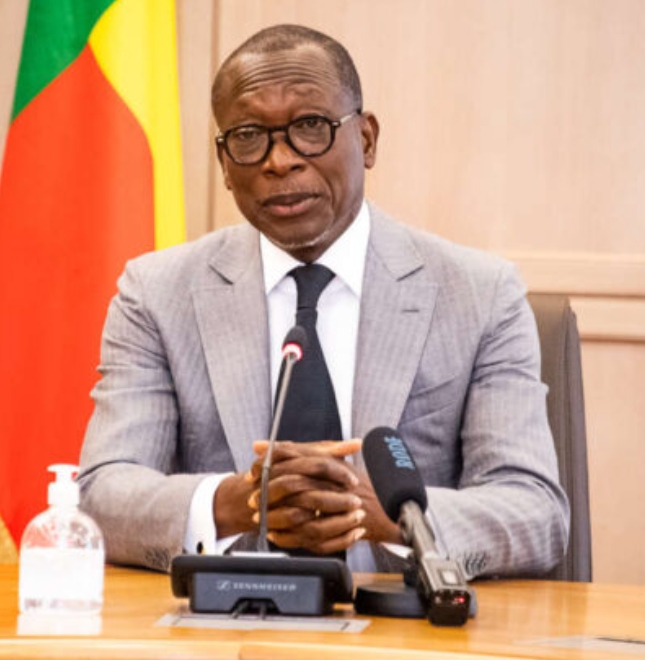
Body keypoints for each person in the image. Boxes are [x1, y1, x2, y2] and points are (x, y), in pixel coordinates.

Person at [78, 24, 569, 577]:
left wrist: (388, 516)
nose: (279, 160)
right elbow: (101, 492)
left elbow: (535, 513)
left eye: (310, 126)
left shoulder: (479, 294)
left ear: (367, 140)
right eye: (248, 135)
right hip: (219, 618)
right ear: (224, 165)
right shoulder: (156, 293)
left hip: (403, 620)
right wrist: (235, 503)